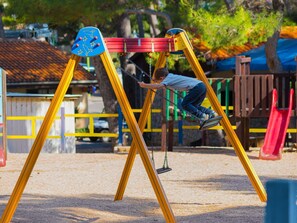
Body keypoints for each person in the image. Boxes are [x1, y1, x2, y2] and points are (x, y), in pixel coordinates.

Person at [138, 67, 216, 125]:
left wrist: (145, 85)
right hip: (202, 86)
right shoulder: (171, 76)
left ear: (162, 78)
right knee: (194, 105)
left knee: (184, 105)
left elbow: (159, 86)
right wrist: (156, 81)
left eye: (159, 81)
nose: (159, 82)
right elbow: (160, 84)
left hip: (196, 88)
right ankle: (211, 113)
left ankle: (202, 116)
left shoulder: (167, 79)